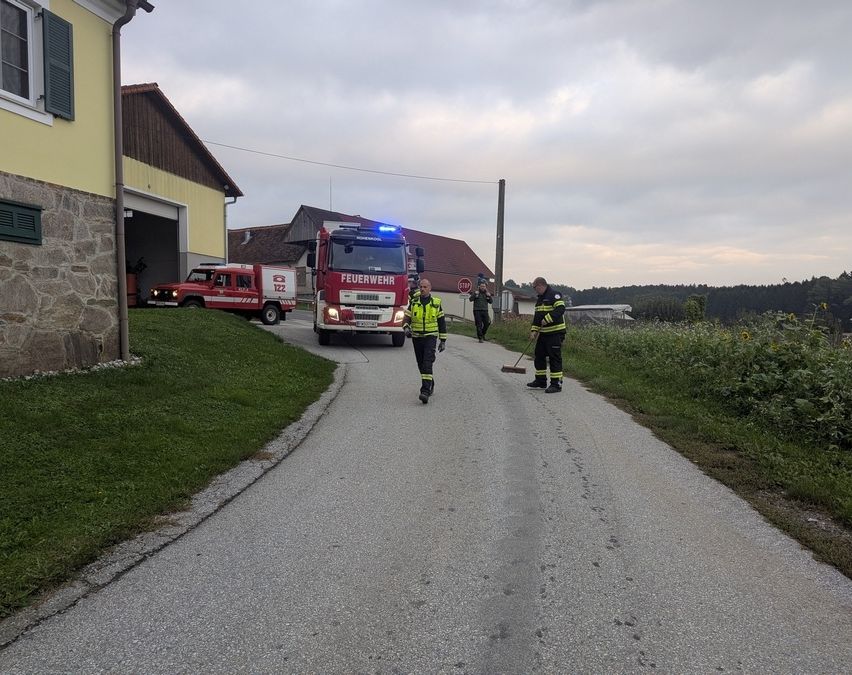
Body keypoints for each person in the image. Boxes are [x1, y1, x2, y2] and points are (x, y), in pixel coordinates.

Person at [402, 278, 447, 404]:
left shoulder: (436, 303)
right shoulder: (414, 302)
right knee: (421, 364)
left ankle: (425, 392)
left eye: (425, 287)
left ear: (430, 288)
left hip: (430, 337)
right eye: (421, 286)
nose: (422, 289)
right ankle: (430, 382)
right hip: (417, 337)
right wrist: (406, 329)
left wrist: (443, 341)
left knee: (427, 363)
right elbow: (406, 319)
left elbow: (442, 323)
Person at [527, 276, 566, 393]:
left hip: (555, 333)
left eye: (535, 288)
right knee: (539, 356)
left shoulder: (554, 295)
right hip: (543, 334)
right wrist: (534, 330)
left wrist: (548, 318)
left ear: (541, 285)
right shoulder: (540, 299)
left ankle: (556, 384)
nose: (535, 290)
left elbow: (560, 309)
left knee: (554, 358)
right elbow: (537, 318)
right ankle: (540, 380)